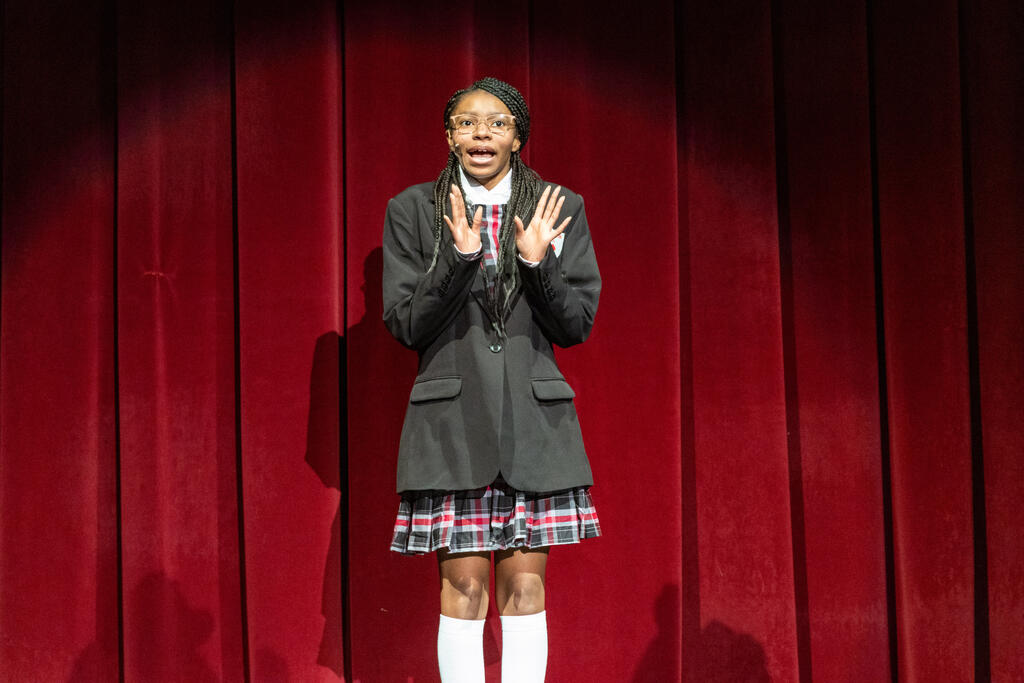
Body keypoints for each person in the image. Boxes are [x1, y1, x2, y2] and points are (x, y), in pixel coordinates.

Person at [382, 76, 601, 683]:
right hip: (452, 423)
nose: (482, 133)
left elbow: (576, 324)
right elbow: (405, 324)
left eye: (497, 123)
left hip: (534, 422)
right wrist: (456, 260)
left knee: (526, 590)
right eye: (468, 123)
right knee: (465, 589)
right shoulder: (413, 209)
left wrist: (536, 262)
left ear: (517, 137)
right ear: (449, 136)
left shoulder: (557, 206)